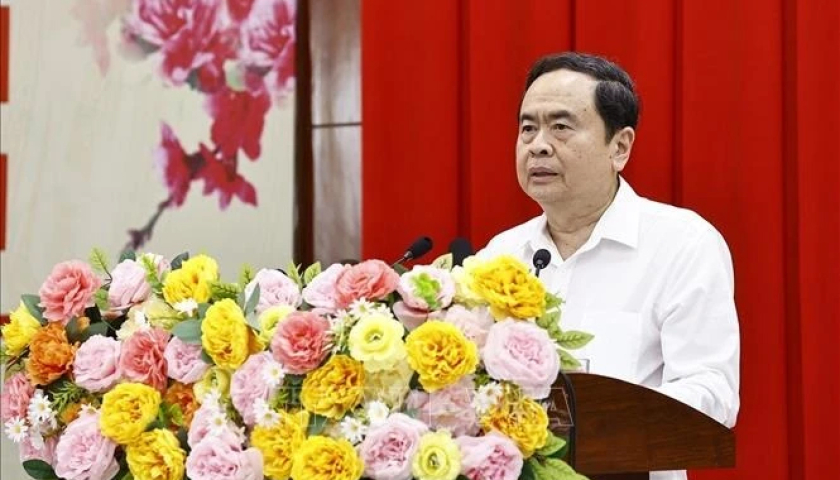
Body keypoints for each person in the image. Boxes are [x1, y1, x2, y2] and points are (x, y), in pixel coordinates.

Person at [477, 52, 740, 480]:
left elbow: (712, 393)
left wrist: (599, 426)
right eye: (528, 128)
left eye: (561, 127)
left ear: (619, 147)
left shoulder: (682, 243)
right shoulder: (500, 255)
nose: (538, 144)